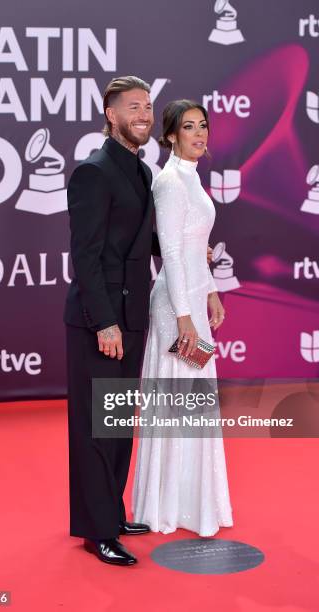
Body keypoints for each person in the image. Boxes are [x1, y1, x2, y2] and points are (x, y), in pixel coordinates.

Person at [64, 75, 164, 566]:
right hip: (98, 321)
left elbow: (144, 241)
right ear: (111, 113)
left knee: (120, 421)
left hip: (133, 315)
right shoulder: (94, 171)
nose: (144, 114)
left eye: (148, 106)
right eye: (134, 107)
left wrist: (190, 253)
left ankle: (109, 512)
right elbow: (83, 257)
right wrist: (104, 322)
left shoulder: (143, 172)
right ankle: (97, 530)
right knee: (96, 427)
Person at [133, 100, 233, 536]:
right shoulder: (171, 182)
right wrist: (185, 316)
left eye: (203, 126)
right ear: (170, 135)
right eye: (189, 127)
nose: (200, 133)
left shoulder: (192, 179)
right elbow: (171, 253)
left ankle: (193, 502)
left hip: (192, 301)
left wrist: (210, 289)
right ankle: (165, 505)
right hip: (176, 308)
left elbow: (195, 248)